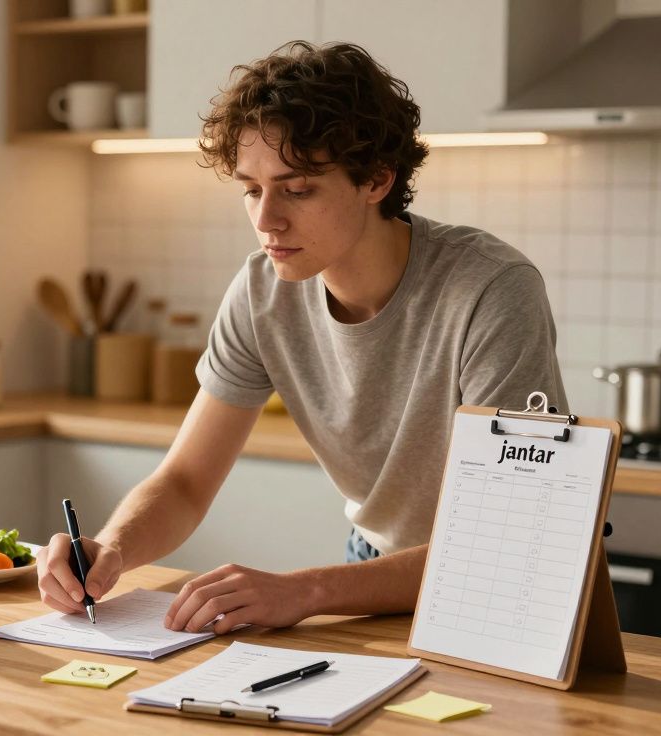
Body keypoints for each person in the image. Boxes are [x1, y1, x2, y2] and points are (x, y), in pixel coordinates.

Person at [36, 41, 566, 635]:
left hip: (503, 582)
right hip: (376, 575)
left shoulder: (490, 288)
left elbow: (511, 533)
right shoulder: (263, 291)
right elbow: (185, 482)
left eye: (297, 189)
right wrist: (112, 547)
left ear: (377, 179)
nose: (266, 220)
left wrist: (305, 590)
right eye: (250, 189)